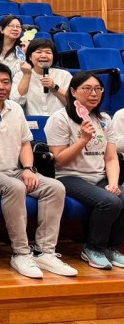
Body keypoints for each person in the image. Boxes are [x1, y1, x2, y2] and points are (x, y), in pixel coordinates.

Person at [0, 62, 76, 279]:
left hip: (15, 169)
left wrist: (28, 168)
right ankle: (20, 253)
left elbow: (25, 143)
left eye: (6, 82)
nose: (1, 87)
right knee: (15, 187)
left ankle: (44, 251)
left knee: (55, 187)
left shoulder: (15, 108)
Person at [46, 72, 124, 270]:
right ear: (73, 92)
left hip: (98, 175)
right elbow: (60, 160)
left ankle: (111, 248)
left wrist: (113, 183)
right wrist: (83, 140)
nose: (93, 93)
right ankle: (93, 248)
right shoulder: (61, 118)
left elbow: (111, 157)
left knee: (120, 195)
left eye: (98, 89)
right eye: (87, 89)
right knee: (109, 202)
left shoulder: (104, 119)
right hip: (69, 177)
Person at [14, 39, 71, 115]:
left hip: (59, 122)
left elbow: (73, 104)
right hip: (34, 123)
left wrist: (54, 88)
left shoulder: (64, 75)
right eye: (39, 52)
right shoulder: (20, 75)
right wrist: (27, 75)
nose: (43, 56)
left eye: (48, 52)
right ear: (30, 57)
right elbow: (16, 102)